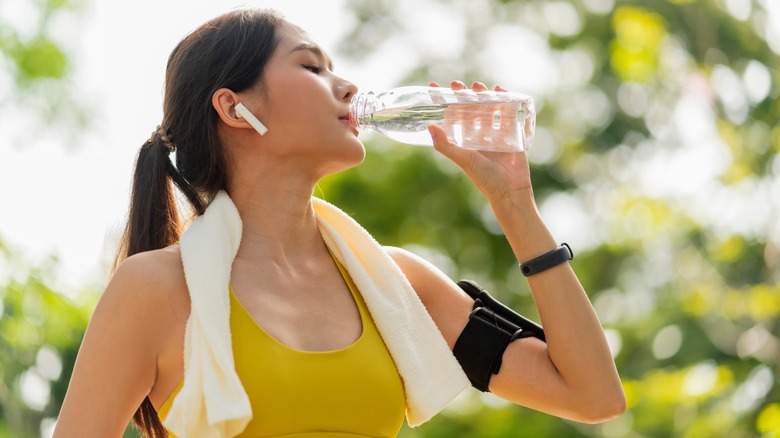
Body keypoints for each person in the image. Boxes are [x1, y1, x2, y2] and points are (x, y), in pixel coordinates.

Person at [53, 8, 625, 438]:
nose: (348, 87)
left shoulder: (396, 285)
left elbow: (592, 395)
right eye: (311, 66)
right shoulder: (156, 290)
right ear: (234, 108)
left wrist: (515, 205)